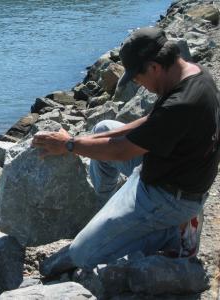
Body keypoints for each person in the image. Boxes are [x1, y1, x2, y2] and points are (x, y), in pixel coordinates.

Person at [31, 27, 220, 276]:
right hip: (168, 170)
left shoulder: (182, 103)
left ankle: (174, 234)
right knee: (104, 127)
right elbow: (151, 121)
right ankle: (110, 213)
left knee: (81, 254)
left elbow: (121, 152)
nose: (138, 84)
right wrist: (85, 138)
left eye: (136, 77)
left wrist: (68, 145)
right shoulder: (193, 74)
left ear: (153, 67)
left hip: (169, 198)